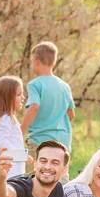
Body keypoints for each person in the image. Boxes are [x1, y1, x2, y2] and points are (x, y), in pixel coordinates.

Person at [21, 41, 75, 184]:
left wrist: (21, 131)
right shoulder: (64, 86)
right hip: (63, 141)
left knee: (33, 179)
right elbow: (71, 114)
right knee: (60, 178)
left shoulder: (35, 84)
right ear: (54, 62)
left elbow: (34, 107)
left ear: (36, 61)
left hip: (40, 140)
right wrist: (55, 121)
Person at [0, 76, 33, 179]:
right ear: (8, 98)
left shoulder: (9, 118)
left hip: (15, 172)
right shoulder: (5, 120)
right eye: (19, 95)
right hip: (11, 174)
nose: (23, 98)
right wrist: (22, 155)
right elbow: (2, 144)